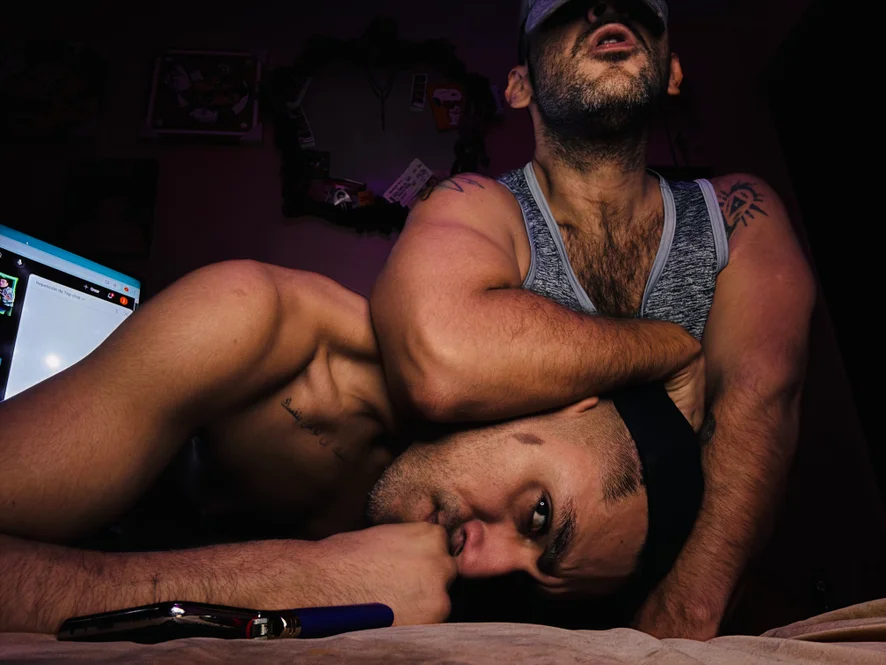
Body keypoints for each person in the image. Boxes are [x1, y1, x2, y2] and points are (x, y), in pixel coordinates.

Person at [369, 0, 815, 639]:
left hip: (676, 596)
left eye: (639, 8)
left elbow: (761, 399)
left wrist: (684, 616)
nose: (606, 7)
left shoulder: (737, 214)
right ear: (520, 85)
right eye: (566, 9)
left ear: (673, 73)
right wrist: (669, 348)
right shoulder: (476, 205)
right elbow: (438, 360)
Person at [0, 260, 697, 635]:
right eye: (538, 515)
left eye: (528, 572)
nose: (482, 563)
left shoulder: (470, 570)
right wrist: (305, 578)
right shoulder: (256, 325)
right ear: (569, 396)